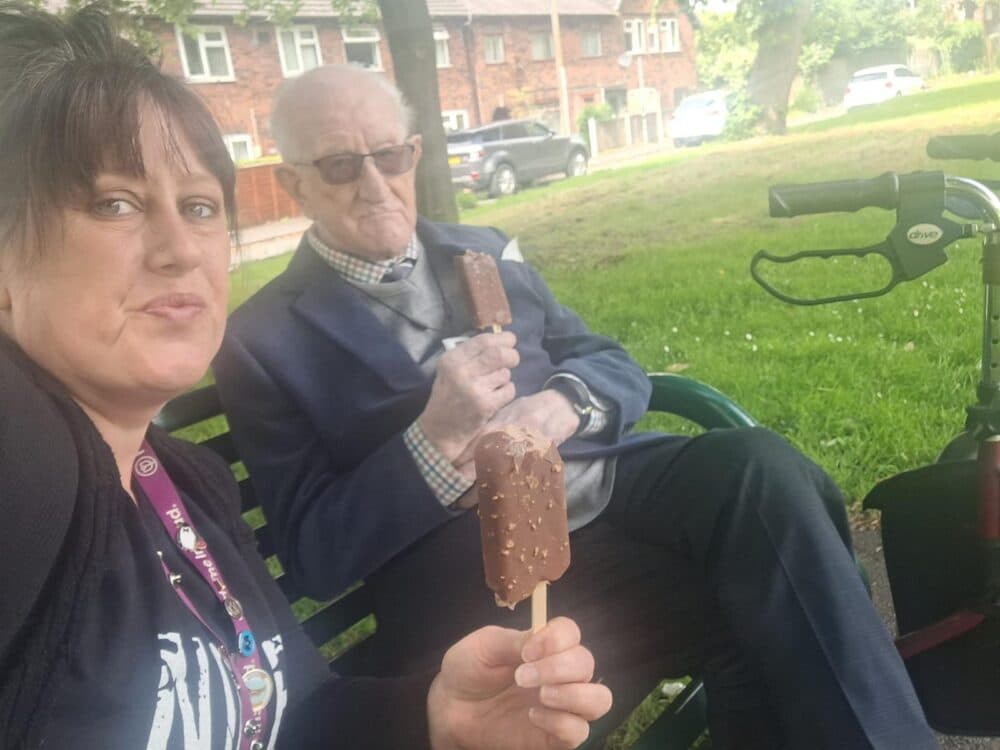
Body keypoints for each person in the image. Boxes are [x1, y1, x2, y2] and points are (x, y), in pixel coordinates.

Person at [212, 63, 940, 750]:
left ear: (415, 153)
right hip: (473, 577)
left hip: (603, 486)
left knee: (758, 469)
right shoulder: (263, 339)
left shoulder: (482, 250)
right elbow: (310, 555)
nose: (374, 182)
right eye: (341, 165)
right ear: (293, 184)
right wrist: (433, 444)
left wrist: (562, 405)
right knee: (774, 593)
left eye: (390, 155)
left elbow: (609, 361)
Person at [0, 6, 613, 749]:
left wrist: (433, 718)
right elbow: (323, 554)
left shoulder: (188, 486)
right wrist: (435, 436)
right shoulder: (27, 469)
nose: (180, 249)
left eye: (199, 207)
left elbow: (297, 712)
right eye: (115, 203)